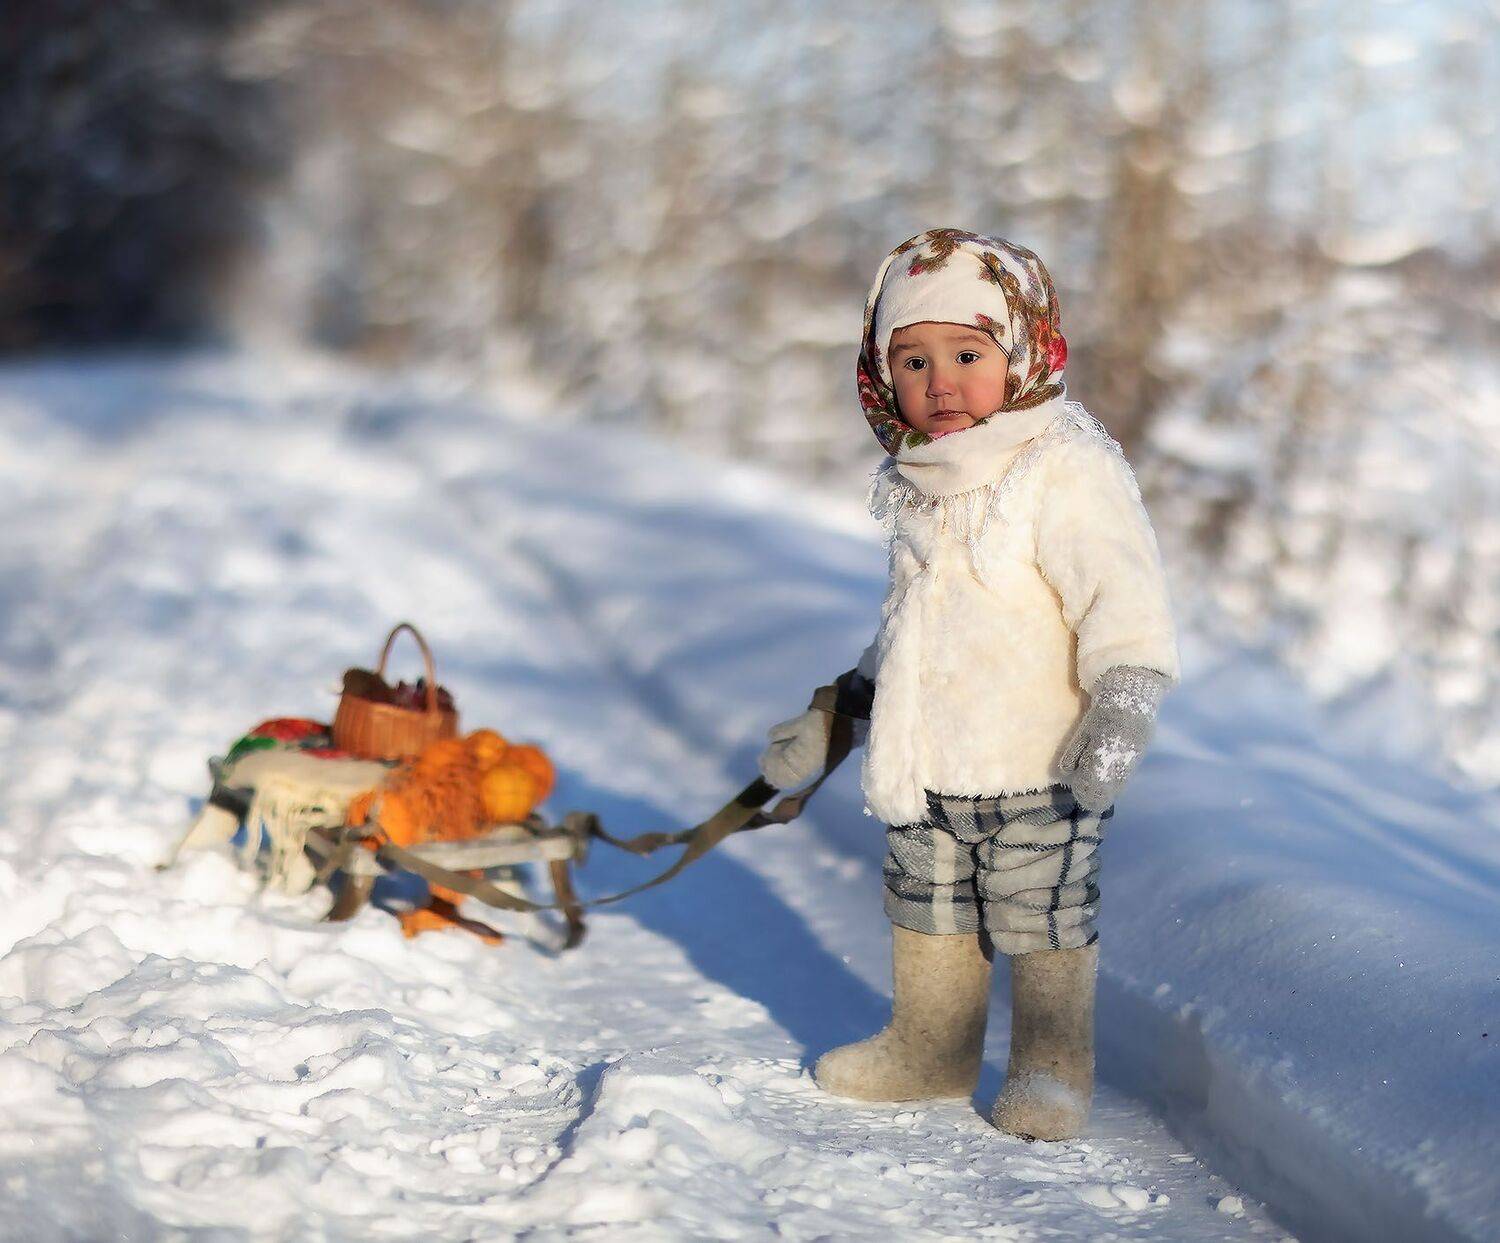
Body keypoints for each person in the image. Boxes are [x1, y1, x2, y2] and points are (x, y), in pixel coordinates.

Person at [758, 227, 1180, 1142]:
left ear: (1020, 350)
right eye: (913, 360)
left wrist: (1123, 704)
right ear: (882, 372)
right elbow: (907, 628)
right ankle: (932, 1049)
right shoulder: (919, 476)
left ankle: (1051, 1068)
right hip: (926, 766)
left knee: (1043, 914)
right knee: (929, 910)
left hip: (1040, 763)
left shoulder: (1062, 463)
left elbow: (1124, 599)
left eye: (967, 353)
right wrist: (840, 713)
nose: (940, 381)